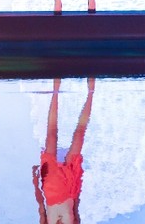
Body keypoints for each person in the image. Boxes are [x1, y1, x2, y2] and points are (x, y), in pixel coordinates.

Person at [33, 77, 94, 224]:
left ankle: (56, 88)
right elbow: (76, 208)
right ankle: (91, 91)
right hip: (69, 189)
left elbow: (41, 207)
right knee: (79, 134)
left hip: (50, 186)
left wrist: (35, 183)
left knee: (51, 135)